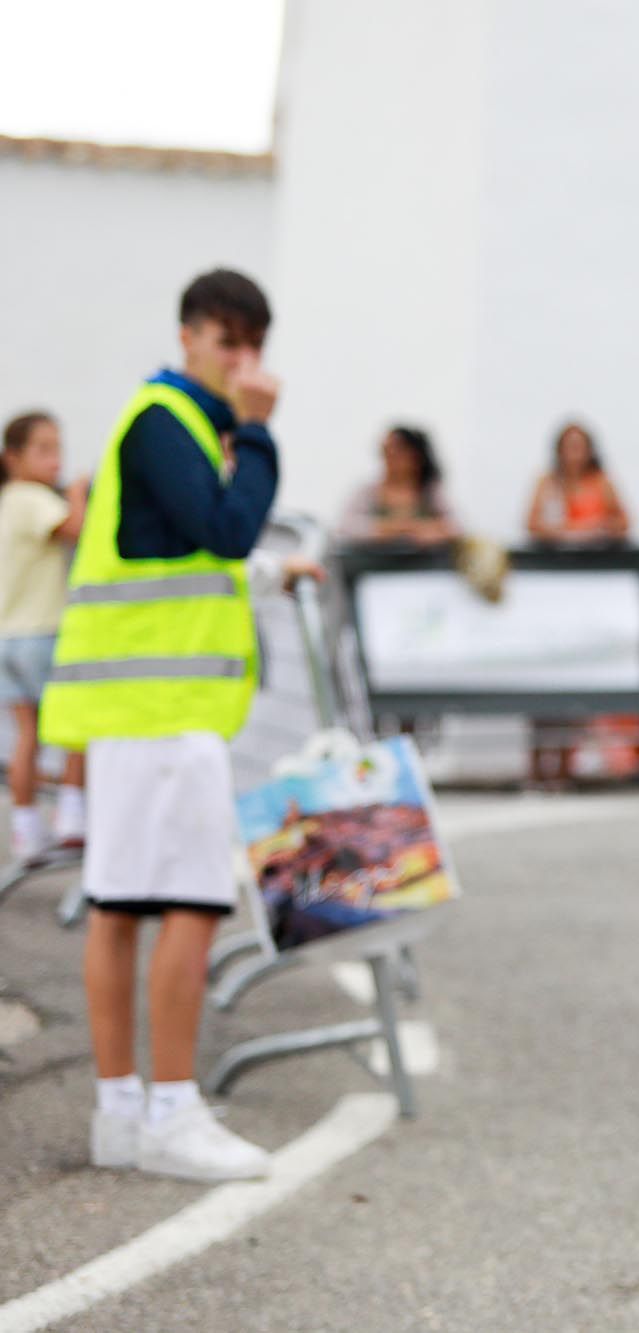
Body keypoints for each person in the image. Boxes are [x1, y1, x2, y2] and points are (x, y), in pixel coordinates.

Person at [38, 269, 286, 1181]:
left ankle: (122, 1113)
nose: (243, 361)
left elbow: (181, 547)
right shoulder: (166, 422)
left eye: (254, 344)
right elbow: (225, 531)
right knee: (186, 903)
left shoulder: (161, 425)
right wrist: (259, 432)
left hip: (139, 713)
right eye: (228, 341)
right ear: (188, 337)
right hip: (164, 715)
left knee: (123, 905)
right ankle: (171, 1110)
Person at [1, 411, 89, 859]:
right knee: (79, 719)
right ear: (13, 457)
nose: (56, 459)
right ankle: (72, 813)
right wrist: (77, 493)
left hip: (7, 638)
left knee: (27, 735)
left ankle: (25, 827)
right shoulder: (33, 498)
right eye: (44, 449)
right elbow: (74, 529)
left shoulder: (7, 500)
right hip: (42, 633)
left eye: (58, 448)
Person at [337, 424, 459, 547]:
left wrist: (426, 529)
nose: (391, 459)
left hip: (425, 562)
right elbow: (345, 526)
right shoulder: (367, 492)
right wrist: (390, 528)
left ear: (416, 458)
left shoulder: (431, 492)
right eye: (386, 452)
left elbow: (457, 527)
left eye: (399, 453)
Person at [526, 420, 630, 546]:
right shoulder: (547, 483)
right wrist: (569, 530)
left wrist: (600, 526)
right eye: (570, 446)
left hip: (597, 556)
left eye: (579, 447)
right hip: (557, 557)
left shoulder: (601, 481)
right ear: (560, 450)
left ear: (589, 450)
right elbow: (532, 525)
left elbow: (624, 522)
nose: (575, 454)